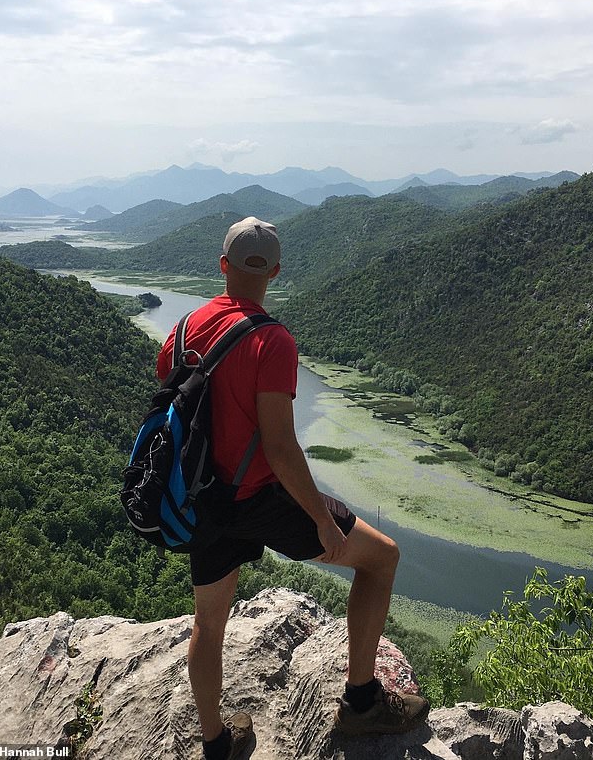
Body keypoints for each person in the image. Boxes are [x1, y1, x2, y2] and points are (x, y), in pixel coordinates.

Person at [156, 217, 430, 760]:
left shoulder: (184, 328)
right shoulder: (273, 341)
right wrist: (324, 523)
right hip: (258, 497)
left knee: (208, 624)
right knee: (382, 559)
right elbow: (280, 449)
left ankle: (217, 743)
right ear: (276, 272)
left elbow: (176, 407)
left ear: (223, 266)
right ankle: (361, 702)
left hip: (201, 498)